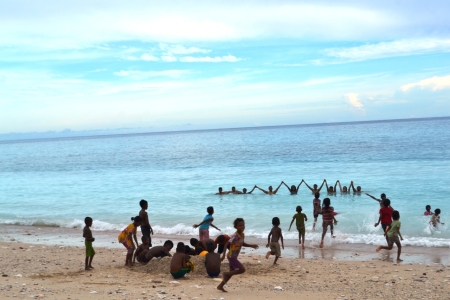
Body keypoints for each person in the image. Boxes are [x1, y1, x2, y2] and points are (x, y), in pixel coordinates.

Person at [216, 218, 259, 292]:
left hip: (234, 256)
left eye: (243, 225)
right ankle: (225, 274)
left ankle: (220, 286)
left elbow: (242, 243)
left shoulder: (242, 234)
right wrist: (223, 255)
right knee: (242, 270)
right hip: (231, 256)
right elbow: (226, 244)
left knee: (231, 273)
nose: (242, 227)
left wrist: (251, 245)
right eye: (239, 225)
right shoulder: (235, 235)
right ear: (236, 227)